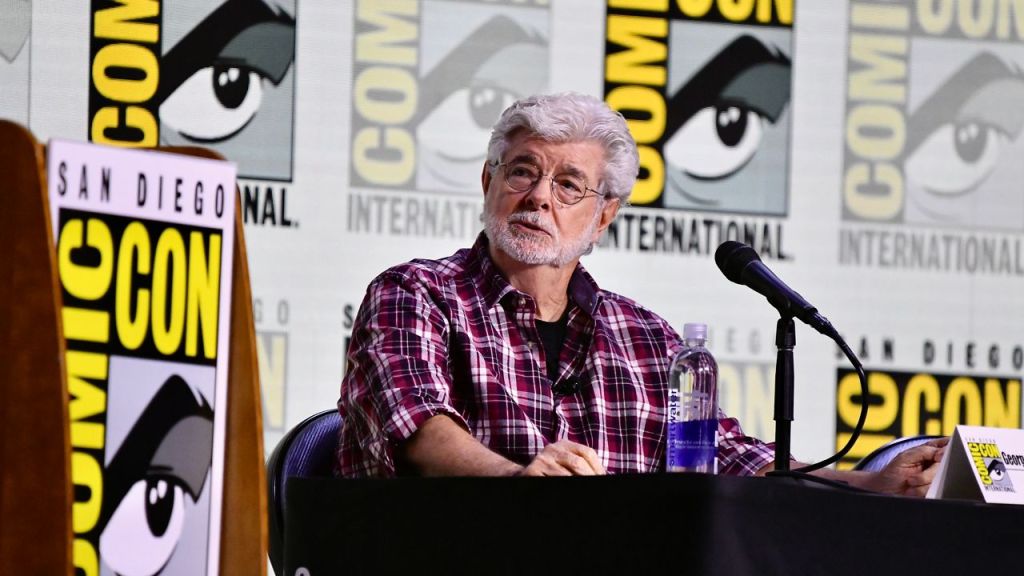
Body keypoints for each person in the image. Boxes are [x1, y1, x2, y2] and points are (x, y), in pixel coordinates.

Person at [336, 92, 946, 494]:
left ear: (603, 216)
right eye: (522, 171)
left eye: (569, 184)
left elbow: (724, 455)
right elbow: (417, 431)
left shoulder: (647, 338)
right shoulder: (415, 294)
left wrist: (868, 483)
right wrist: (519, 481)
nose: (539, 196)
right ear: (488, 182)